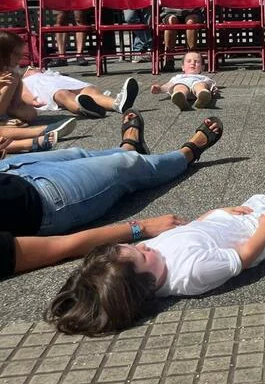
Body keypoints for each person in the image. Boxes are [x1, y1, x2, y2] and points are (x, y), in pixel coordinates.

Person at [47, 178, 265, 335]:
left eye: (136, 247)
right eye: (140, 256)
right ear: (146, 285)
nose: (145, 247)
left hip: (239, 220)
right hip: (262, 235)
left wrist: (217, 211)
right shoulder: (190, 273)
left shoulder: (152, 256)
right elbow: (244, 257)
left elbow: (193, 230)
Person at [0, 113, 222, 283]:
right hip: (44, 197)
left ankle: (129, 146)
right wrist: (141, 227)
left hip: (9, 169)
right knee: (127, 166)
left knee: (79, 153)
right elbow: (60, 246)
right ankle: (187, 153)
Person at [23, 66, 138, 119]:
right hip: (35, 85)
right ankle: (85, 109)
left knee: (87, 90)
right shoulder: (19, 78)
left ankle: (118, 104)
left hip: (53, 78)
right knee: (62, 94)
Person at [150, 51, 217, 111]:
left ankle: (202, 95)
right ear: (183, 67)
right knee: (179, 86)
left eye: (197, 62)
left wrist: (213, 91)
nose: (192, 63)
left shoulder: (203, 77)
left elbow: (210, 84)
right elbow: (168, 85)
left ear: (202, 67)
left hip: (197, 86)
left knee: (201, 85)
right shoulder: (178, 77)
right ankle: (180, 97)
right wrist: (160, 88)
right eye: (189, 61)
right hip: (182, 84)